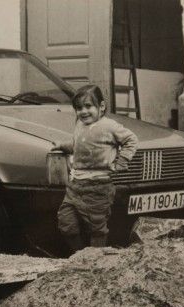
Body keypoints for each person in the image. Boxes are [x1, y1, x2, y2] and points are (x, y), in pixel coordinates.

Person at [51, 84, 138, 252]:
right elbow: (78, 146)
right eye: (78, 108)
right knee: (66, 223)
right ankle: (80, 255)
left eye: (88, 106)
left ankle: (95, 261)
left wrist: (122, 161)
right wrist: (61, 145)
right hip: (75, 186)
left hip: (98, 187)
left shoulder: (109, 126)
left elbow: (131, 140)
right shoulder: (80, 124)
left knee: (97, 228)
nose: (83, 111)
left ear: (102, 106)